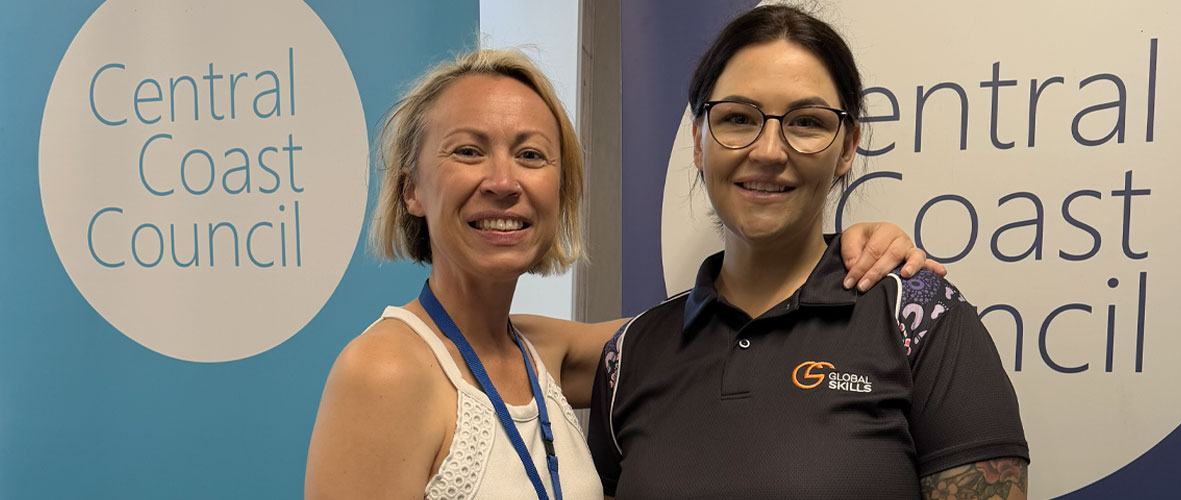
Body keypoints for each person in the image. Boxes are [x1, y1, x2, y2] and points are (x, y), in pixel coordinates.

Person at [304, 47, 939, 500]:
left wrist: (840, 253)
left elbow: (728, 331)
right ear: (411, 190)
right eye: (468, 151)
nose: (503, 181)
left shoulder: (541, 353)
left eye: (531, 155)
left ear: (560, 191)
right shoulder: (386, 371)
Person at [587, 5, 1029, 500]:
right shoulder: (627, 356)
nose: (769, 151)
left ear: (847, 147)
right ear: (698, 141)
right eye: (737, 118)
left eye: (806, 122)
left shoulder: (921, 317)